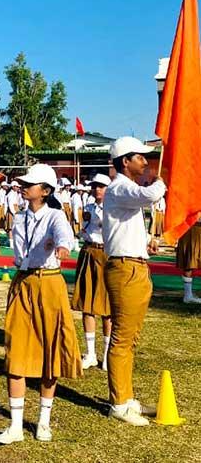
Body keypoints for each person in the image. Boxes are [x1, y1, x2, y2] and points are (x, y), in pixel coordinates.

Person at [0, 164, 81, 444]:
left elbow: (64, 234)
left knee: (50, 351)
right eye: (23, 183)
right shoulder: (19, 218)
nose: (23, 187)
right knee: (16, 349)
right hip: (23, 282)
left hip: (49, 283)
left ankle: (43, 422)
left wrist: (63, 246)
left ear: (45, 191)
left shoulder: (55, 215)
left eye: (29, 184)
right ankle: (16, 426)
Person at [103, 137, 166, 426]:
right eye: (139, 157)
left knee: (130, 337)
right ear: (125, 161)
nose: (145, 161)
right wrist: (161, 182)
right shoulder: (120, 186)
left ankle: (126, 398)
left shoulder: (124, 188)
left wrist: (145, 244)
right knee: (122, 338)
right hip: (125, 268)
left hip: (134, 265)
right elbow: (150, 195)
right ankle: (119, 403)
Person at [71, 174, 112, 370]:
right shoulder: (88, 207)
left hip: (106, 254)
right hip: (89, 251)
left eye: (101, 186)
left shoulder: (114, 208)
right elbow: (84, 228)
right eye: (95, 186)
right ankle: (91, 353)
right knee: (87, 304)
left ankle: (107, 354)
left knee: (107, 308)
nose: (97, 190)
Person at [175, 213, 201, 304]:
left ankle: (188, 295)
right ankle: (188, 295)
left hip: (192, 228)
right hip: (190, 228)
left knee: (189, 262)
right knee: (188, 262)